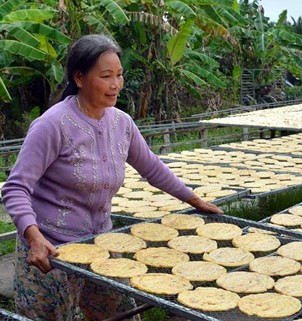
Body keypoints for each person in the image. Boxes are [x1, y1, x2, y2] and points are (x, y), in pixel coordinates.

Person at [1, 34, 222, 321]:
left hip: (101, 242)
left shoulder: (122, 123)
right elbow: (16, 187)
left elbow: (152, 168)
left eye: (119, 75)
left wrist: (195, 200)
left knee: (122, 314)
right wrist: (34, 237)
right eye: (106, 76)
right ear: (79, 78)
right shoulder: (52, 125)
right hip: (50, 249)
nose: (116, 84)